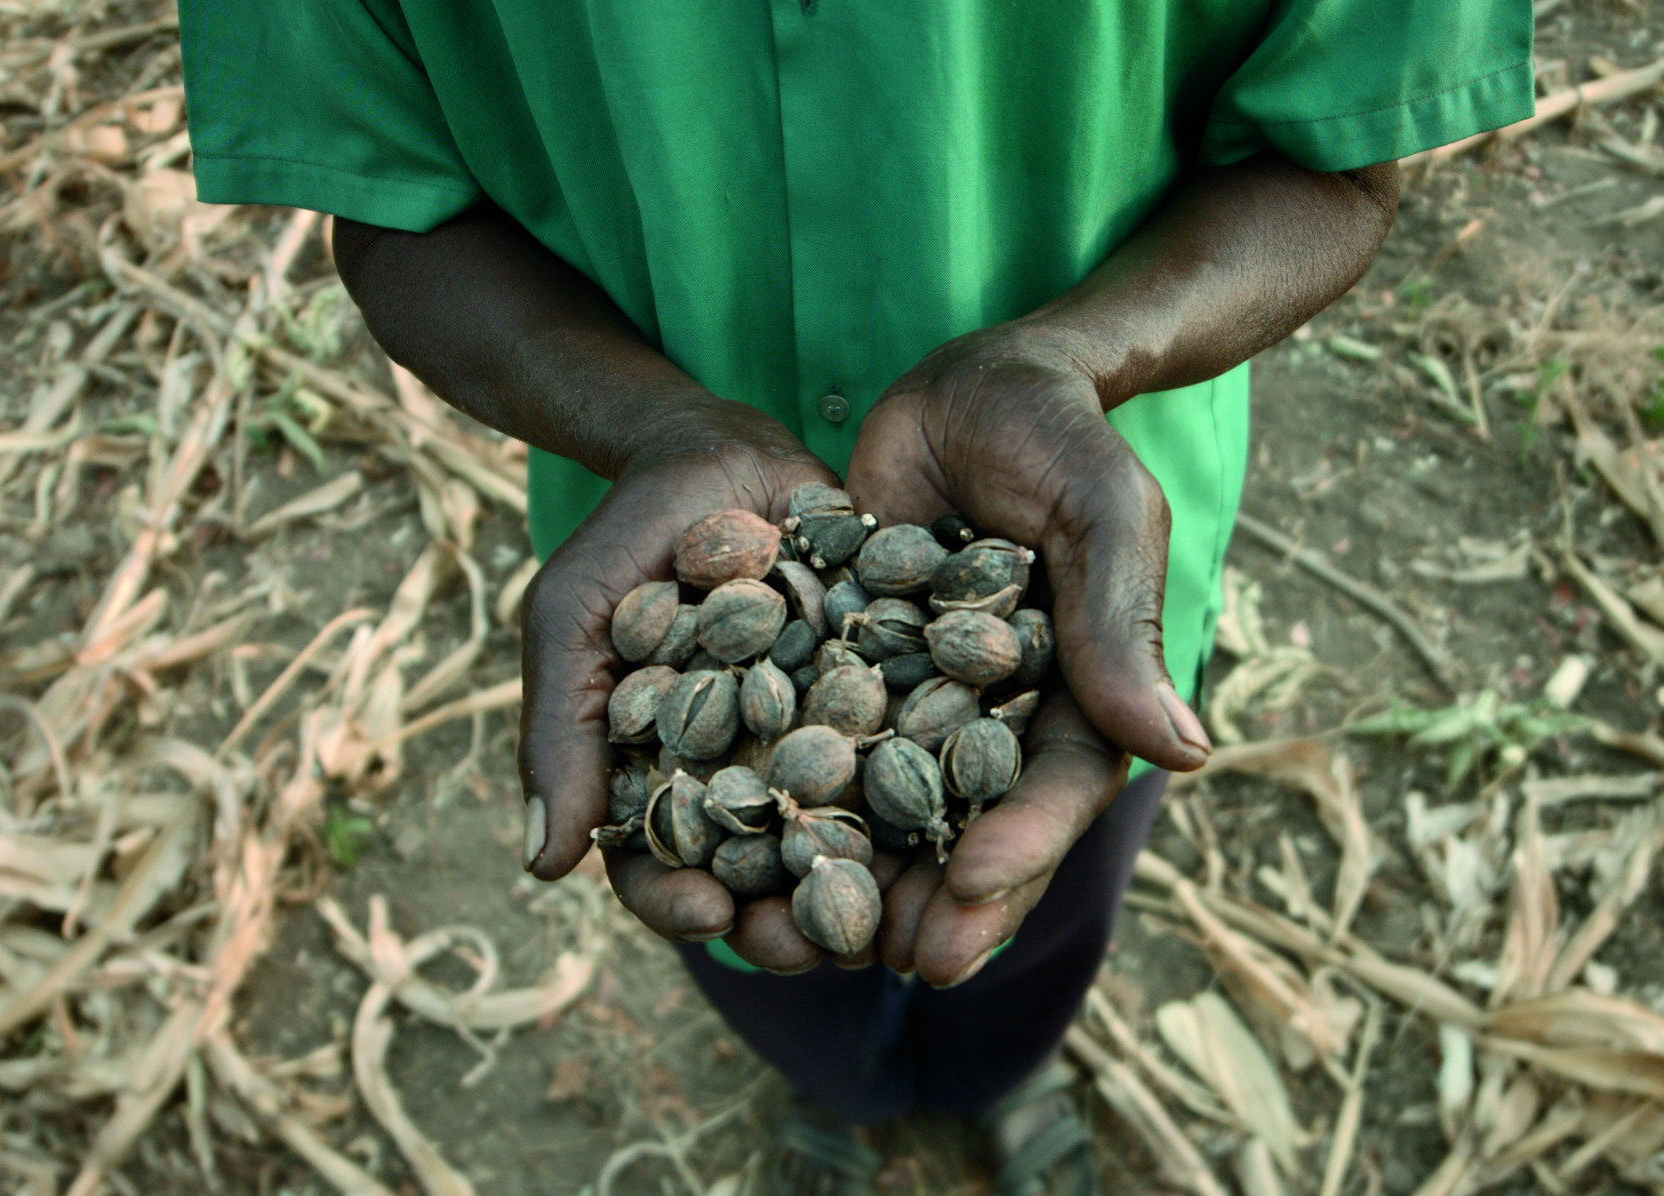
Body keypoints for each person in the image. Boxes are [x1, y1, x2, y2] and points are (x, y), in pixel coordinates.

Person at [178, 2, 1531, 1191]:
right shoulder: (753, 706)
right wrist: (653, 427)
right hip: (659, 521)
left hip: (1087, 548)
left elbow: (1338, 155)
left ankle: (1000, 1070)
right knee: (760, 955)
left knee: (1041, 906)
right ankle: (835, 1088)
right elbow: (390, 200)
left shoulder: (926, 658)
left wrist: (1077, 356)